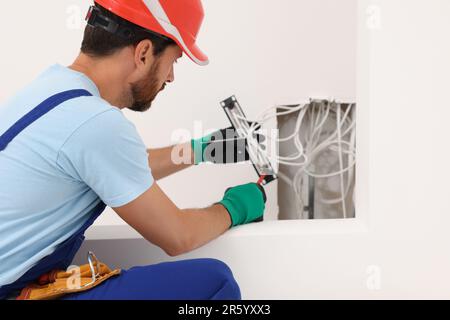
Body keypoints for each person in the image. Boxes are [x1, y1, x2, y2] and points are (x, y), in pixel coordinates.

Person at [0, 0, 266, 300]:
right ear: (143, 53)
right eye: (174, 61)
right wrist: (237, 207)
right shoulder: (96, 122)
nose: (170, 78)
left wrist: (199, 150)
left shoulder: (50, 90)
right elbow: (179, 236)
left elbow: (112, 166)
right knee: (214, 282)